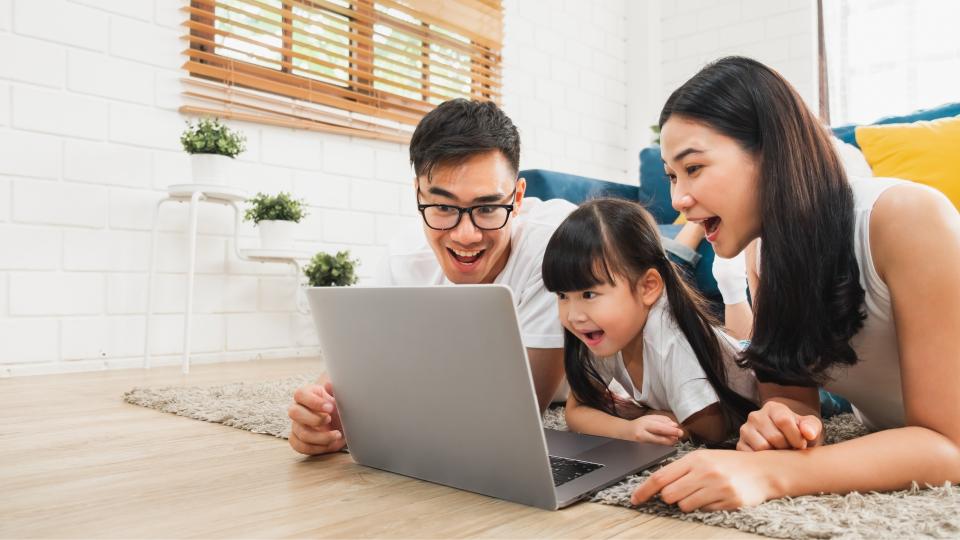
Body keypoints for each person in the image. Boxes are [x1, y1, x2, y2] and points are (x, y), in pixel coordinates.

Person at [630, 56, 960, 511]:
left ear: (770, 153)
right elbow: (791, 396)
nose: (679, 201)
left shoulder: (906, 217)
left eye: (694, 168)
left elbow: (949, 445)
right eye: (671, 175)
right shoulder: (763, 252)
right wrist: (781, 421)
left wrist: (772, 473)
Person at [286, 99, 576, 456]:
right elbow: (358, 370)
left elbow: (516, 414)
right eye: (442, 207)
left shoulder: (557, 245)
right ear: (418, 195)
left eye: (487, 208)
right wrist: (322, 414)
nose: (465, 235)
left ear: (517, 199)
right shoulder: (403, 258)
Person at [541, 199, 758, 446]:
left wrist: (640, 413)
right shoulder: (601, 331)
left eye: (589, 295)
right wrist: (628, 429)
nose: (573, 315)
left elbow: (712, 431)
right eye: (562, 296)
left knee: (746, 345)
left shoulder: (671, 341)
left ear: (648, 287)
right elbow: (575, 412)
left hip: (752, 371)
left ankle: (732, 285)